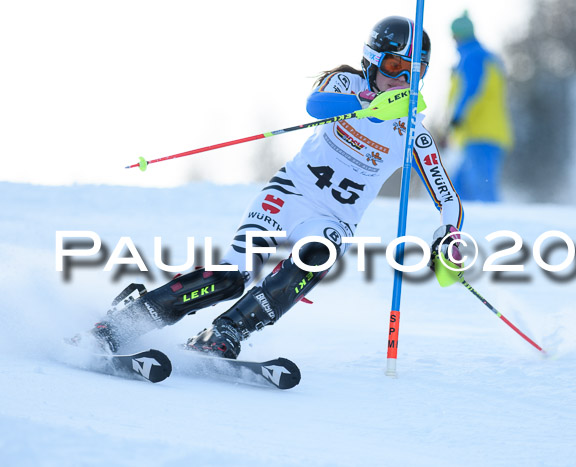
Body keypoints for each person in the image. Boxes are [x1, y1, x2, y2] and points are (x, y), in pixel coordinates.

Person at [80, 16, 465, 359]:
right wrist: (366, 102)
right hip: (286, 196)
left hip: (331, 219)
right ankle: (124, 323)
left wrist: (449, 235)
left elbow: (446, 194)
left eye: (414, 72)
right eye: (395, 65)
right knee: (232, 276)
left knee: (320, 252)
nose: (401, 79)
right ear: (371, 61)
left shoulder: (412, 132)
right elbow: (316, 105)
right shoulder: (347, 83)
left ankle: (226, 331)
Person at [445, 10, 514, 202]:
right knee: (458, 189)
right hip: (481, 133)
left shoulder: (473, 57)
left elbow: (470, 90)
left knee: (482, 188)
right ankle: (461, 228)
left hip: (482, 133)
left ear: (458, 36)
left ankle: (495, 228)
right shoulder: (485, 57)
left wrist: (456, 118)